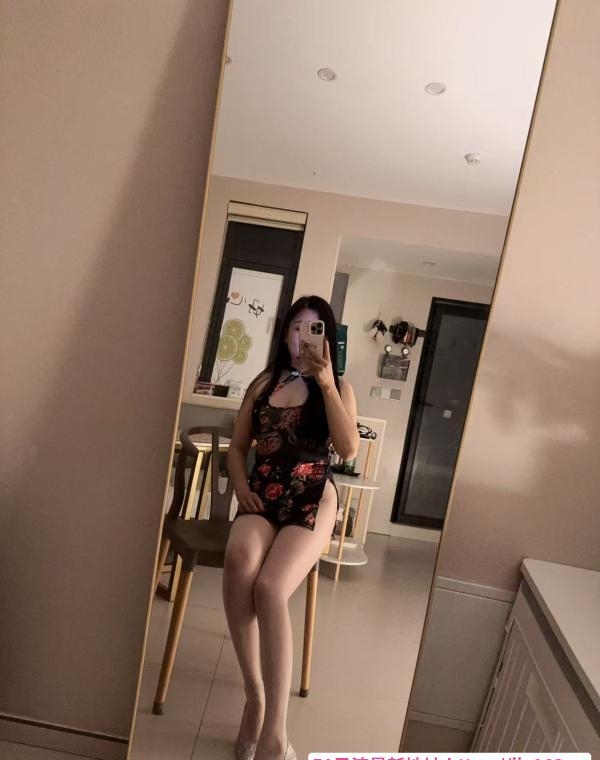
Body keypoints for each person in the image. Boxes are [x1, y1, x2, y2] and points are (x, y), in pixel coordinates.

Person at [222, 295, 359, 760]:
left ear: (327, 338)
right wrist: (241, 487)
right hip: (263, 493)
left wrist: (326, 384)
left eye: (315, 328)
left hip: (313, 495)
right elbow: (237, 448)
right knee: (239, 559)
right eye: (297, 326)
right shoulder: (264, 383)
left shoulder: (339, 387)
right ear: (285, 334)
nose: (304, 336)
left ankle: (275, 734)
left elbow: (348, 449)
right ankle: (254, 697)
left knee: (270, 587)